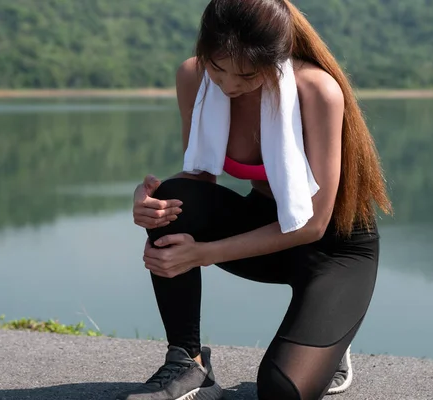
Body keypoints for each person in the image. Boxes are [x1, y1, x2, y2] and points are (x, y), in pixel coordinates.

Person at [117, 0, 393, 400]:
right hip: (266, 230)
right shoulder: (194, 77)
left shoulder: (316, 90)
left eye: (247, 74)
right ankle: (187, 363)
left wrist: (204, 253)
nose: (228, 85)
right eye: (218, 67)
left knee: (281, 390)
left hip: (336, 249)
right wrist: (148, 200)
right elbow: (199, 177)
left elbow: (313, 223)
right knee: (173, 199)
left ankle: (330, 334)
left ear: (277, 58)